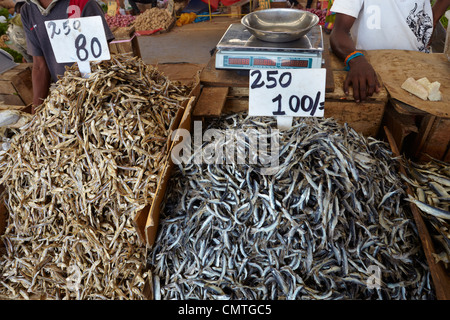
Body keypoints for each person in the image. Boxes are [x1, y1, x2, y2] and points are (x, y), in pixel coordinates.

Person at [329, 0, 450, 103]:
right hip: (372, 73)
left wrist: (434, 18)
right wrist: (356, 60)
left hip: (417, 72)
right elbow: (339, 32)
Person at [20, 0, 114, 111]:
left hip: (97, 97)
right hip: (65, 100)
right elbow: (39, 66)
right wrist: (36, 110)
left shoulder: (83, 3)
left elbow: (101, 61)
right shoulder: (28, 10)